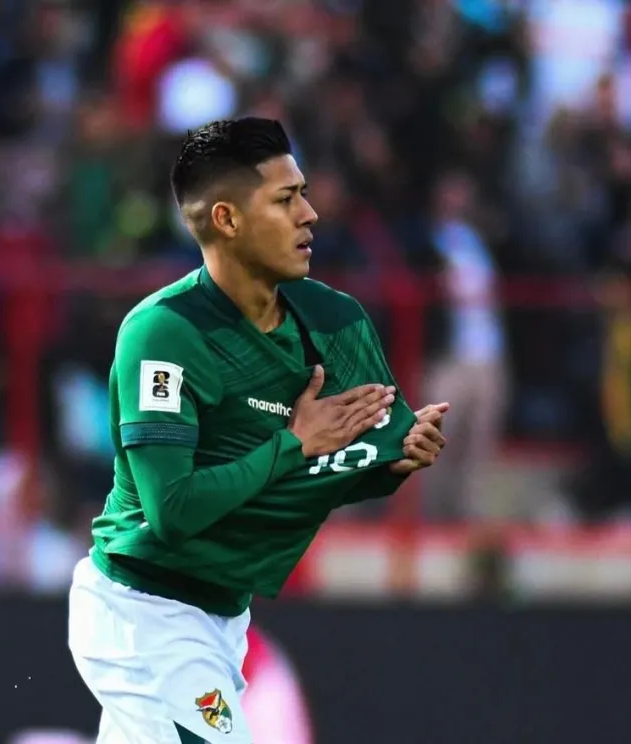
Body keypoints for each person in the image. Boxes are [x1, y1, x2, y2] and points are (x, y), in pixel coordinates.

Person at [67, 117, 449, 743]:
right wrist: (294, 442)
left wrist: (397, 459)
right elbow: (173, 511)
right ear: (227, 219)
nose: (311, 214)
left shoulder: (334, 322)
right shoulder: (164, 334)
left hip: (222, 618)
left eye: (303, 192)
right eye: (285, 198)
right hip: (144, 610)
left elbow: (351, 465)